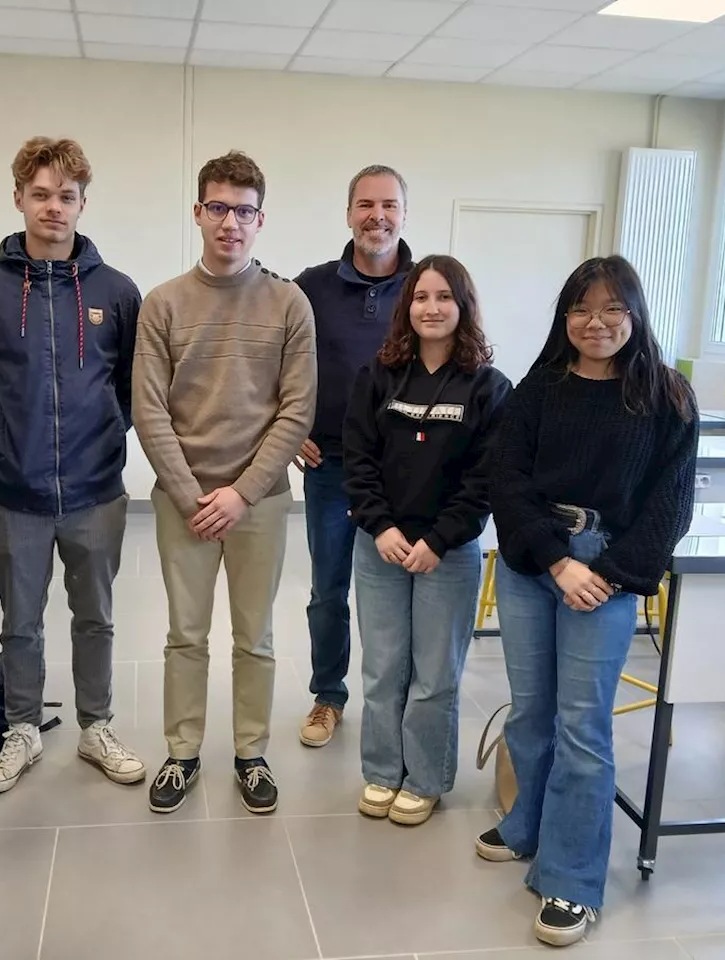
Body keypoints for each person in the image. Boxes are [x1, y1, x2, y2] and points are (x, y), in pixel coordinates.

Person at [477, 255, 697, 946]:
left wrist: (609, 572)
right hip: (532, 563)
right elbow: (505, 480)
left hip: (606, 571)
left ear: (634, 314)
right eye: (581, 309)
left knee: (583, 725)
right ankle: (527, 826)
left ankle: (572, 878)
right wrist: (554, 561)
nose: (595, 322)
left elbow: (670, 504)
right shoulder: (539, 387)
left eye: (611, 309)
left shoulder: (666, 395)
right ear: (564, 317)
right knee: (533, 709)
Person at [0, 137, 145, 795]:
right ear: (18, 199)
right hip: (14, 493)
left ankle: (96, 726)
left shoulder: (118, 292)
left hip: (96, 490)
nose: (54, 208)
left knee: (96, 617)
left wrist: (100, 440)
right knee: (21, 623)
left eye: (66, 196)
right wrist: (6, 442)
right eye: (41, 194)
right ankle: (22, 729)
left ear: (83, 204)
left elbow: (129, 389)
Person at [133, 150, 316, 816]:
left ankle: (250, 753)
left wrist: (241, 492)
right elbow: (148, 408)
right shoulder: (164, 304)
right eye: (218, 208)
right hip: (183, 502)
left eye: (243, 211)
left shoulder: (289, 303)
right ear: (198, 213)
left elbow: (297, 410)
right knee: (185, 634)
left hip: (259, 503)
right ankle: (182, 753)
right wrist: (190, 494)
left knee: (255, 636)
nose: (230, 223)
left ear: (259, 219)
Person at [343, 255, 510, 826]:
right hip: (380, 546)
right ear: (405, 306)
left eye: (444, 297)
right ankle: (383, 772)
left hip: (450, 553)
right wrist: (383, 528)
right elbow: (358, 461)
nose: (431, 308)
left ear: (463, 307)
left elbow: (485, 479)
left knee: (435, 674)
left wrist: (438, 540)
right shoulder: (378, 377)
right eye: (420, 297)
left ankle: (426, 778)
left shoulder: (489, 388)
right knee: (383, 669)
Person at [293, 165, 413, 749]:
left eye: (389, 204)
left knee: (398, 591)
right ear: (348, 214)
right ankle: (328, 696)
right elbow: (277, 363)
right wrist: (288, 430)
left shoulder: (427, 286)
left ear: (403, 214)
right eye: (366, 204)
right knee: (329, 588)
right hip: (332, 467)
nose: (377, 216)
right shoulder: (310, 287)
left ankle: (397, 699)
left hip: (411, 473)